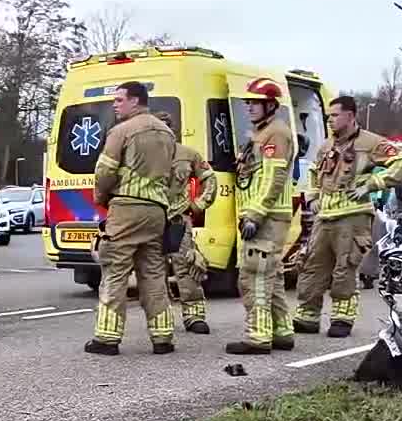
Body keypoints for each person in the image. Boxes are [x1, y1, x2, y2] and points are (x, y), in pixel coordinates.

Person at [292, 95, 402, 338]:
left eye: (335, 115)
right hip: (324, 216)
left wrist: (373, 183)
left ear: (350, 115)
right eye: (329, 116)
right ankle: (307, 316)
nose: (330, 120)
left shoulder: (370, 142)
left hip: (353, 215)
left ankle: (341, 319)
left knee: (344, 268)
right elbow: (315, 172)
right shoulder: (326, 146)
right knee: (312, 266)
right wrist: (313, 196)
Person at [86, 81, 177, 356]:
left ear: (136, 101)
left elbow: (104, 172)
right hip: (157, 212)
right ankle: (162, 338)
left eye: (119, 100)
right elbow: (173, 177)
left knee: (115, 271)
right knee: (153, 274)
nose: (115, 104)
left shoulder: (121, 131)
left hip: (127, 209)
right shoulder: (167, 133)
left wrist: (101, 198)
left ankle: (107, 339)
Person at [227, 79, 298, 355]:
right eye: (247, 102)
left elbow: (273, 177)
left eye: (254, 102)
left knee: (254, 275)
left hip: (267, 216)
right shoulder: (261, 133)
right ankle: (282, 331)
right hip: (261, 214)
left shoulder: (276, 134)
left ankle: (257, 337)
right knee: (272, 276)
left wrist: (255, 214)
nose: (249, 107)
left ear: (270, 105)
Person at [160, 110, 217, 335]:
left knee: (186, 267)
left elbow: (209, 177)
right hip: (151, 220)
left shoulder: (187, 154)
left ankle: (194, 316)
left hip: (177, 220)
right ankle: (161, 318)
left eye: (166, 126)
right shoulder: (140, 155)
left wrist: (199, 204)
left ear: (173, 129)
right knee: (154, 271)